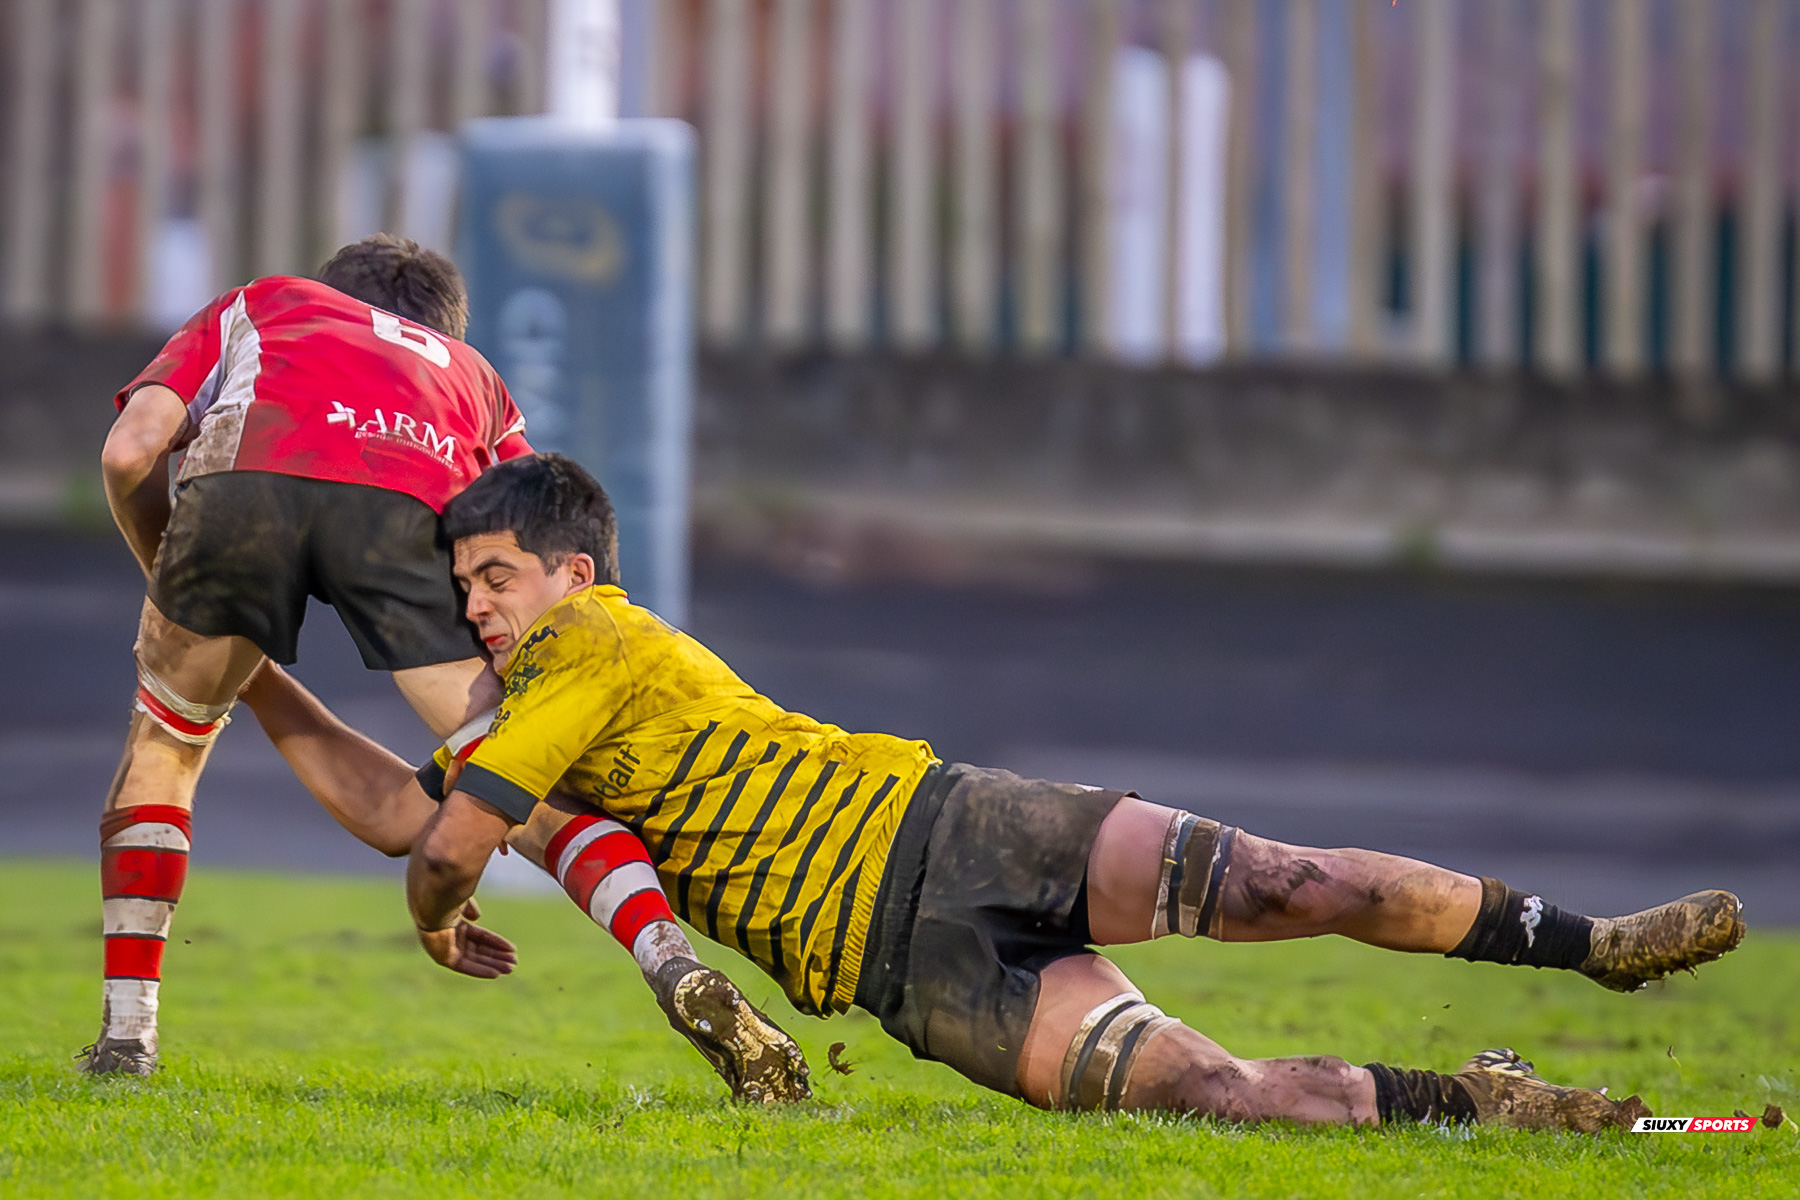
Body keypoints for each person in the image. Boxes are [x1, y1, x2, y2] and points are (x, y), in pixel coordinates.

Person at [298, 453, 1742, 1130]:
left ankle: (1593, 947)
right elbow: (399, 813)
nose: (476, 609)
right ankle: (1489, 1105)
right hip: (899, 971)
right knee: (1218, 1098)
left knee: (1291, 883)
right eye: (465, 588)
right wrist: (253, 687)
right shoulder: (527, 710)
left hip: (944, 823)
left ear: (573, 574)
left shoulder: (586, 645)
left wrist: (440, 910)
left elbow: (449, 847)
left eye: (493, 578)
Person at [86, 237, 806, 1103]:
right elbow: (519, 534)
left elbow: (132, 450)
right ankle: (668, 958)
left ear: (335, 294)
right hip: (409, 505)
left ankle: (127, 1037)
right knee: (521, 777)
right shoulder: (474, 375)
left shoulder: (267, 302)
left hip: (247, 486)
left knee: (167, 742)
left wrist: (164, 565)